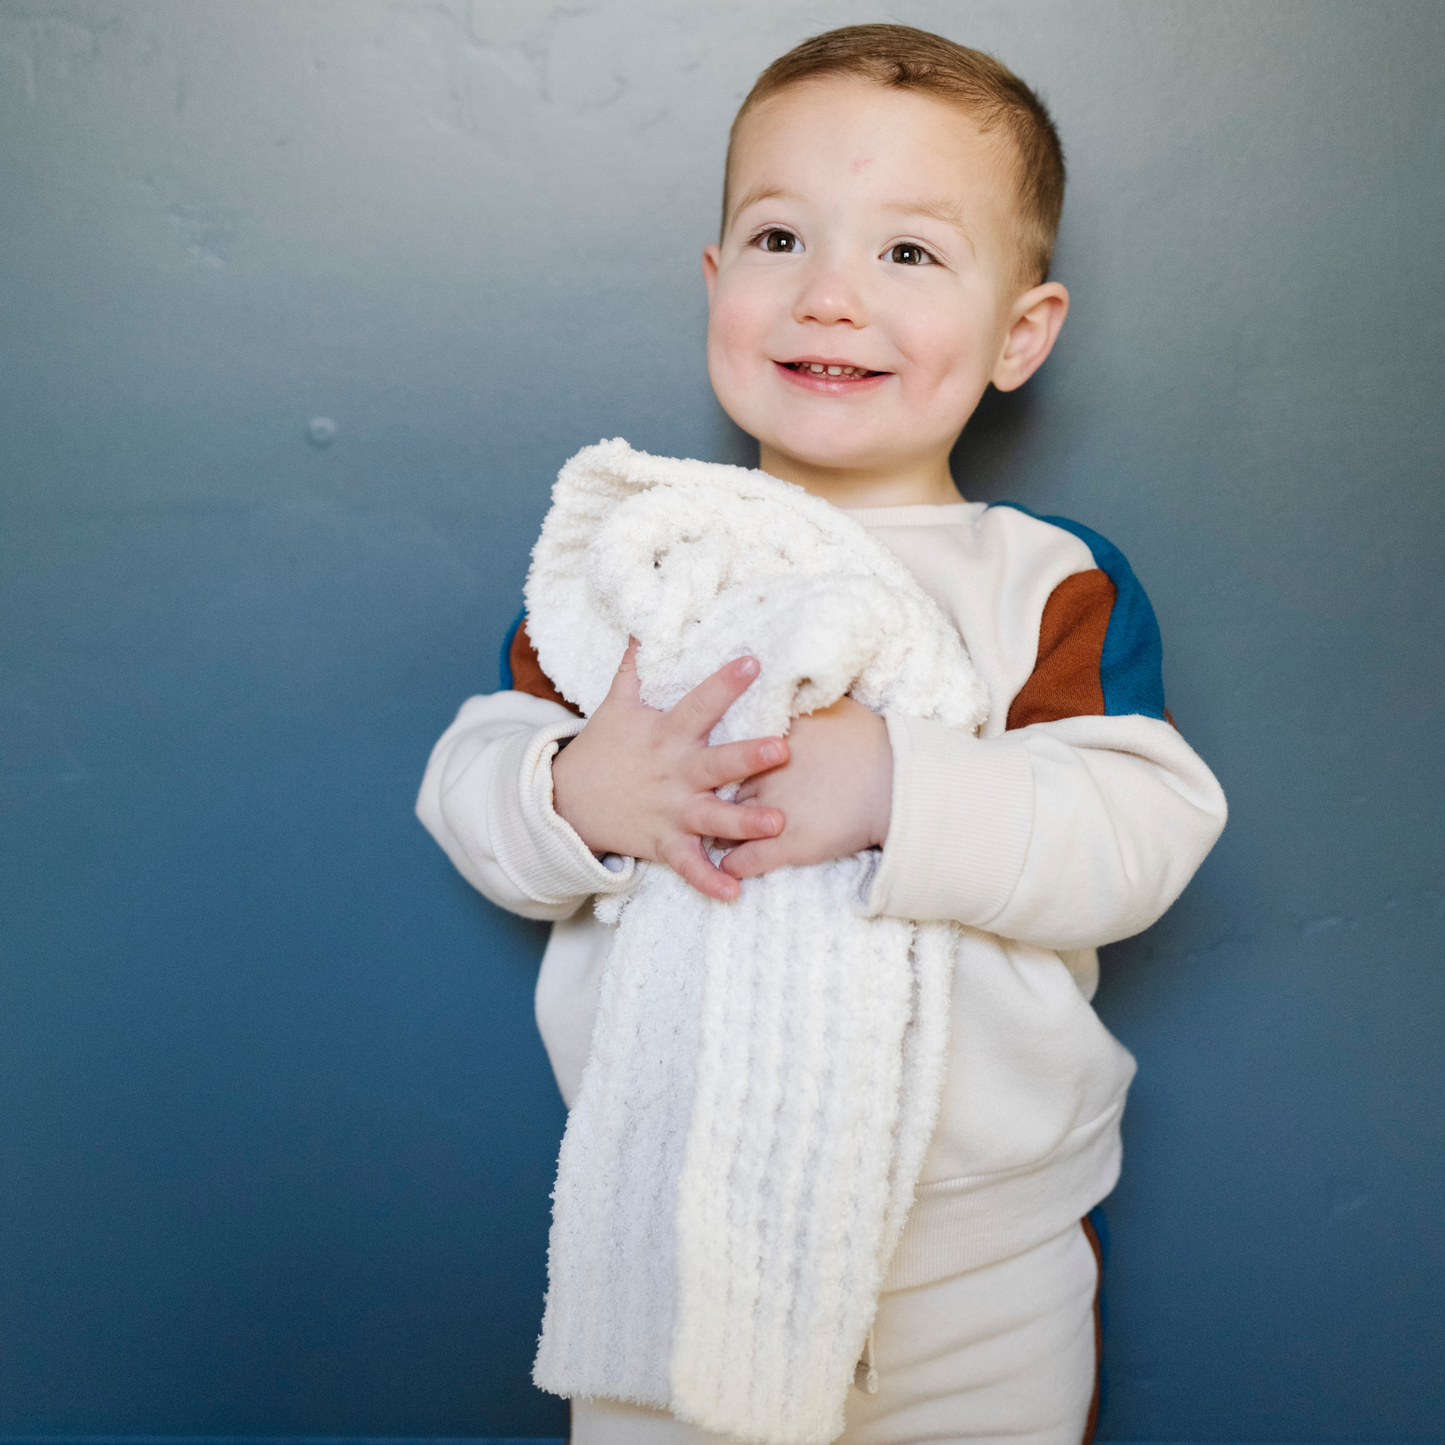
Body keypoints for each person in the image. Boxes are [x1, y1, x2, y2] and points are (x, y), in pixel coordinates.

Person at [416, 23, 1226, 1445]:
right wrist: (579, 790)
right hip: (669, 1234)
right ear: (718, 284)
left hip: (974, 1266)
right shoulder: (641, 562)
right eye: (782, 239)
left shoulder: (1043, 578)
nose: (833, 296)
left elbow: (1140, 832)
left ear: (1020, 331)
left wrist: (899, 788)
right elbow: (474, 780)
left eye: (909, 255)